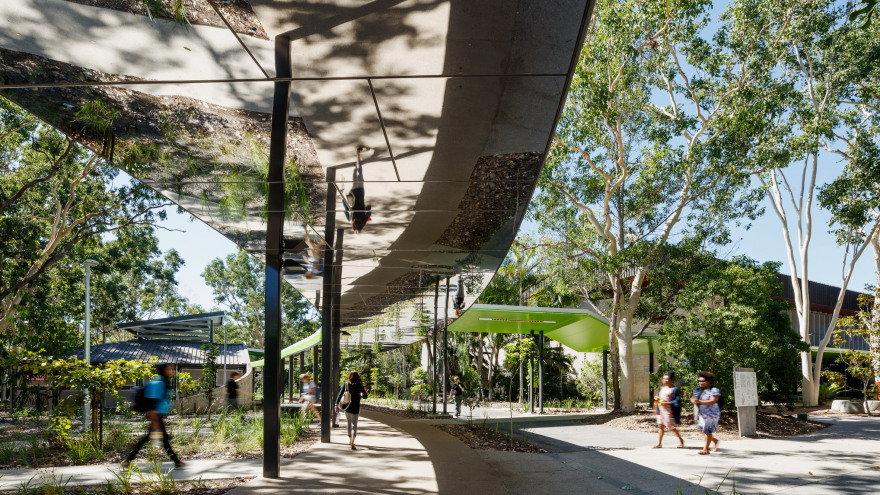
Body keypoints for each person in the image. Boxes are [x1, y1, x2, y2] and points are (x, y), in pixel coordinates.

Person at [123, 363, 184, 469]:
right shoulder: (159, 383)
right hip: (155, 414)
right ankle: (176, 462)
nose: (172, 370)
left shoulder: (163, 381)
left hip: (157, 414)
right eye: (169, 369)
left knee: (155, 438)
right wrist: (154, 420)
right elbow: (151, 402)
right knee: (162, 439)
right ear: (163, 370)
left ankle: (129, 459)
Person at [335, 371, 369, 450]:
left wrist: (336, 404)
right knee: (354, 424)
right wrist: (361, 395)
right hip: (356, 407)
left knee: (349, 423)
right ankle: (353, 441)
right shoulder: (360, 386)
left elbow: (340, 394)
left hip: (347, 406)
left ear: (350, 376)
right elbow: (365, 396)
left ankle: (350, 440)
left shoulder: (346, 384)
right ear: (358, 377)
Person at [690, 371, 722, 455]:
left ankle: (706, 449)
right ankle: (714, 441)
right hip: (701, 413)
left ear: (709, 381)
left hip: (711, 414)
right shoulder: (697, 389)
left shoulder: (714, 390)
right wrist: (693, 400)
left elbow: (713, 401)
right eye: (699, 381)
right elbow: (692, 398)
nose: (700, 383)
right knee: (701, 430)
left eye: (703, 381)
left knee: (707, 431)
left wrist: (699, 401)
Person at [343, 146, 372, 233]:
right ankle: (355, 168)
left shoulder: (364, 219)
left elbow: (369, 207)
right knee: (355, 180)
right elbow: (345, 209)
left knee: (360, 173)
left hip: (360, 192)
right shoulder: (350, 219)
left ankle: (358, 153)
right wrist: (344, 199)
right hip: (352, 194)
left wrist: (364, 209)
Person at [653, 371, 684, 449]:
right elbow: (658, 397)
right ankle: (659, 443)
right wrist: (656, 398)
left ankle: (681, 440)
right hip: (660, 410)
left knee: (671, 427)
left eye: (667, 379)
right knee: (660, 426)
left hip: (668, 411)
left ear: (671, 380)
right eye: (664, 379)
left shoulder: (674, 390)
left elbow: (678, 401)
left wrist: (668, 402)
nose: (665, 380)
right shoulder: (662, 389)